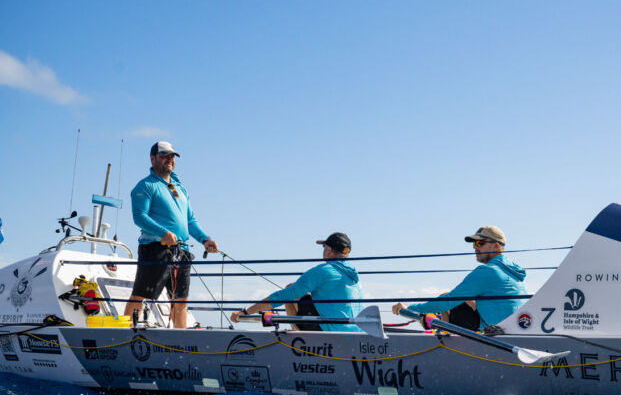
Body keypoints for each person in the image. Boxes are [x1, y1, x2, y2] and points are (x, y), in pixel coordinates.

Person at [124, 141, 218, 328]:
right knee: (140, 295)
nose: (170, 159)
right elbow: (139, 217)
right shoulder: (145, 186)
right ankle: (125, 331)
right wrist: (163, 232)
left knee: (181, 299)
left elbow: (190, 221)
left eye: (172, 156)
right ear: (153, 158)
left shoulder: (180, 189)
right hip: (155, 249)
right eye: (164, 155)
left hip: (181, 251)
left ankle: (181, 339)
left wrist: (205, 239)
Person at [392, 225, 526, 330]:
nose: (475, 248)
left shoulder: (488, 271)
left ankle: (444, 341)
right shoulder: (513, 272)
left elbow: (447, 302)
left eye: (480, 243)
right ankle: (435, 323)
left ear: (496, 246)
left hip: (499, 336)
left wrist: (409, 308)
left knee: (449, 299)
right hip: (517, 329)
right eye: (474, 244)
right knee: (460, 298)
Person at [230, 232, 365, 332]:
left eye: (324, 246)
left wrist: (246, 311)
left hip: (331, 332)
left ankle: (299, 336)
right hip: (355, 331)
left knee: (290, 290)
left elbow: (284, 295)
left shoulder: (323, 270)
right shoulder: (354, 273)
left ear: (329, 250)